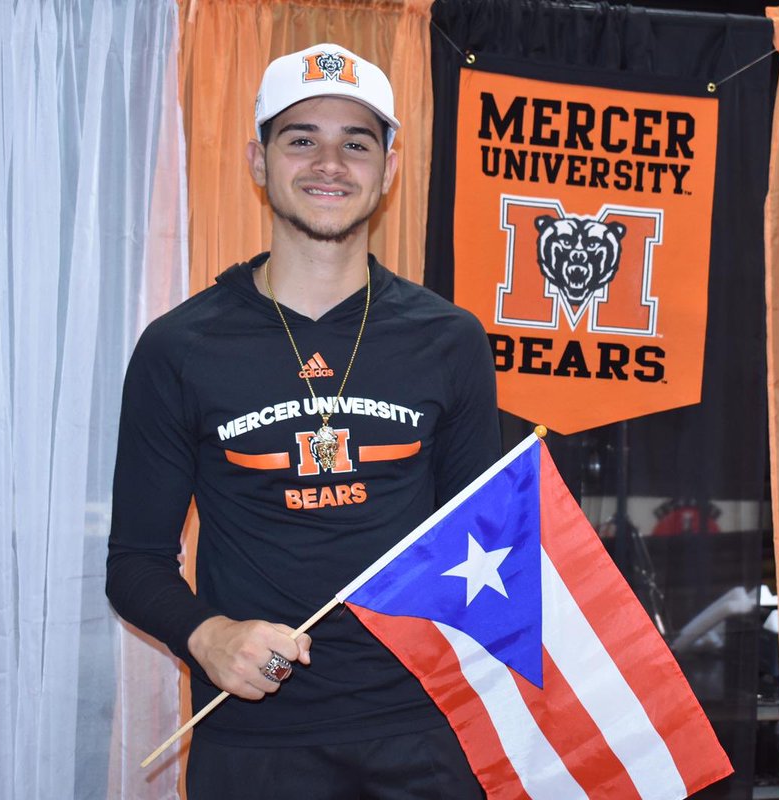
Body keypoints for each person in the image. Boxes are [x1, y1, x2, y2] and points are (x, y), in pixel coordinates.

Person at [106, 43, 499, 798]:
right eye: (301, 139)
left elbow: (483, 543)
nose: (330, 162)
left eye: (356, 143)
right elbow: (135, 562)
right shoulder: (180, 347)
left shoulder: (450, 340)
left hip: (427, 731)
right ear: (258, 162)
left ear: (388, 169)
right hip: (254, 736)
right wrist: (207, 636)